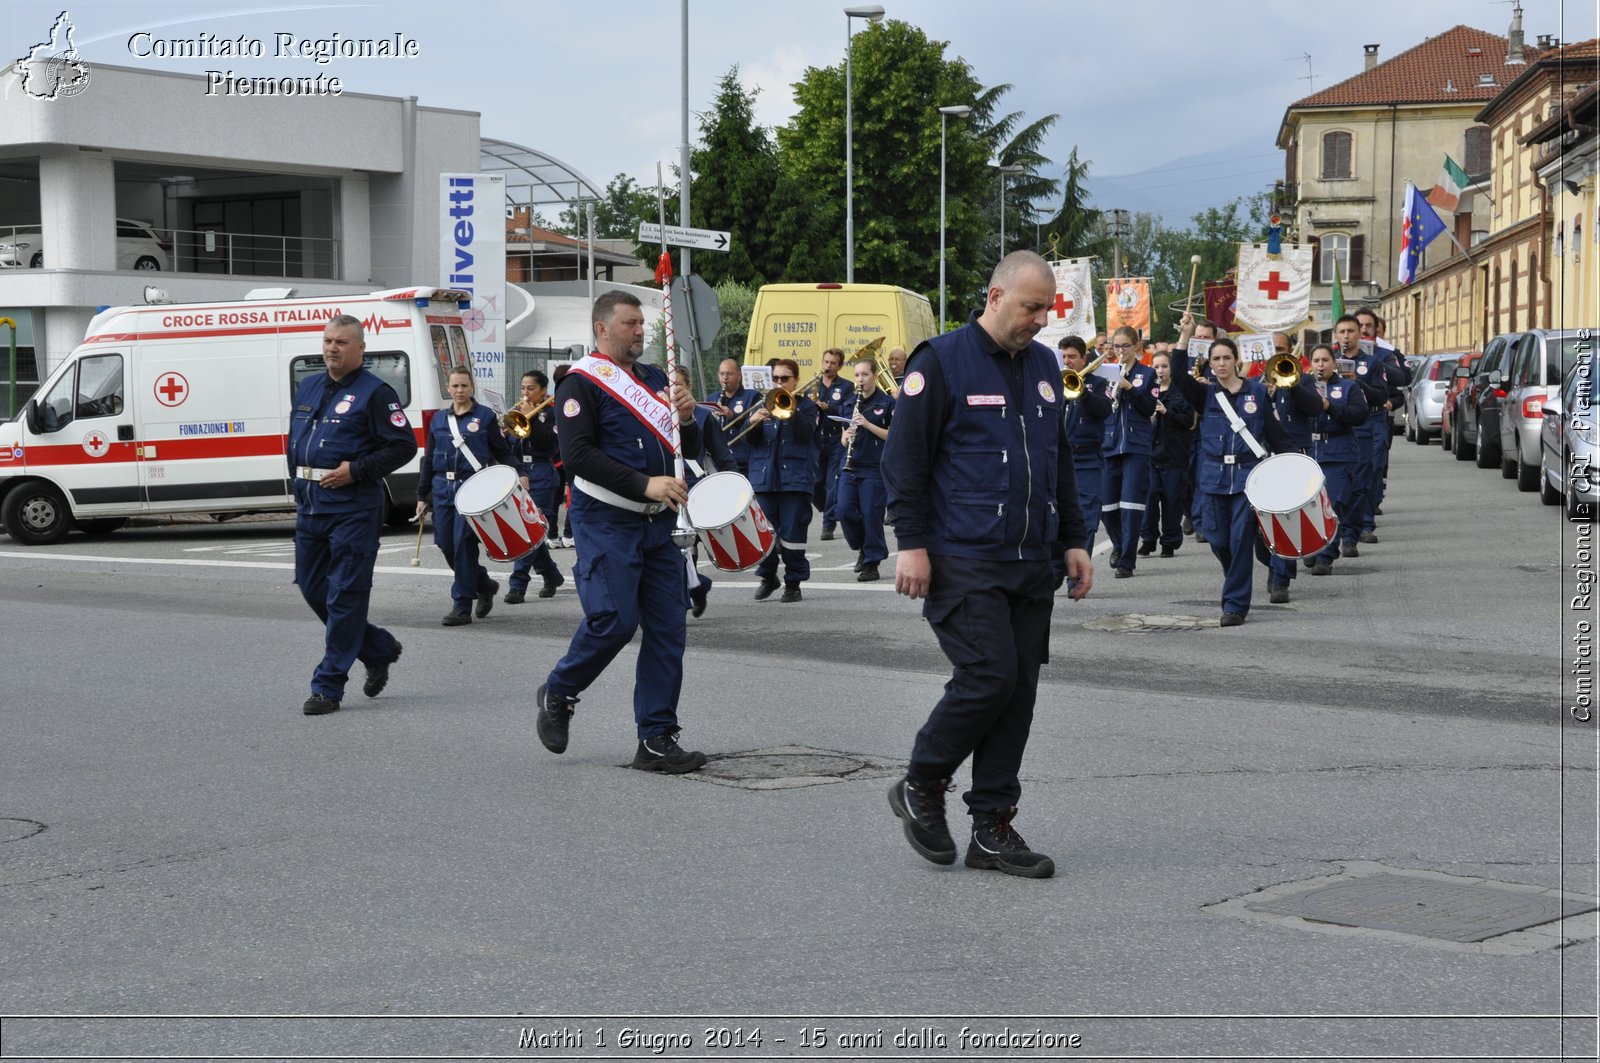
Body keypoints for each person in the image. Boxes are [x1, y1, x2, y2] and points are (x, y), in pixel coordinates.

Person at [882, 250, 1093, 880]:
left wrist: (1075, 539)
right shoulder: (940, 362)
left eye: (1046, 309)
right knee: (989, 677)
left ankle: (992, 828)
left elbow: (1058, 461)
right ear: (996, 297)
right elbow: (904, 461)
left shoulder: (1047, 366)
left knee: (1018, 693)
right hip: (962, 555)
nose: (1039, 320)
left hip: (1031, 559)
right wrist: (911, 542)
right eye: (1031, 307)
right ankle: (922, 780)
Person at [536, 291, 707, 774]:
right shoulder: (579, 385)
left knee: (668, 631)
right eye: (630, 323)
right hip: (607, 519)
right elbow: (578, 456)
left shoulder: (655, 378)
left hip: (659, 525)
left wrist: (689, 417)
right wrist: (643, 483)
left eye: (641, 324)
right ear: (601, 328)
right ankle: (560, 689)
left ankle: (656, 738)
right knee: (614, 620)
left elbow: (685, 446)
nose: (639, 332)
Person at [289, 315, 416, 715]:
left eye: (341, 342)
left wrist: (356, 470)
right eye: (327, 341)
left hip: (353, 509)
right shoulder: (308, 385)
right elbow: (295, 441)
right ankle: (376, 648)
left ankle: (328, 685)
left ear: (361, 348)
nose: (331, 348)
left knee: (345, 594)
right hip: (311, 507)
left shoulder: (376, 393)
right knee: (313, 589)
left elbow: (402, 447)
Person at [1170, 335, 1296, 625]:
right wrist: (1183, 337)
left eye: (1227, 357)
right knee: (1217, 539)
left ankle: (1234, 605)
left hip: (1247, 479)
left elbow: (1275, 433)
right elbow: (1177, 374)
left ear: (1237, 360)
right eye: (1216, 359)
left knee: (1240, 541)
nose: (1222, 363)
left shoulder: (1257, 393)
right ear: (1210, 364)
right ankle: (1239, 577)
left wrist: (1299, 464)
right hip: (1213, 478)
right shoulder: (1205, 394)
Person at [416, 366, 518, 626]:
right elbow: (429, 459)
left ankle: (461, 606)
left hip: (472, 489)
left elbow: (501, 450)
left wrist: (521, 473)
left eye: (464, 385)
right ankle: (484, 584)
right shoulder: (439, 419)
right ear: (448, 388)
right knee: (445, 545)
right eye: (455, 386)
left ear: (471, 387)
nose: (460, 390)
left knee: (463, 545)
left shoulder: (484, 417)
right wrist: (421, 495)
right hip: (441, 490)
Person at [745, 358, 820, 602]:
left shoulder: (808, 406)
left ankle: (793, 583)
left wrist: (791, 411)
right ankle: (768, 576)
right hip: (764, 479)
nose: (779, 382)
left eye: (784, 378)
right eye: (775, 378)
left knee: (792, 537)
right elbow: (751, 442)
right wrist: (752, 423)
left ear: (796, 379)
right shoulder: (761, 403)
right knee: (762, 534)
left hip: (794, 481)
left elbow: (806, 433)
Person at [1262, 331, 1323, 604]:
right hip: (1264, 459)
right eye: (1272, 349)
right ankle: (1274, 564)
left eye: (1281, 349)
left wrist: (1292, 384)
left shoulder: (1305, 380)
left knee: (1285, 519)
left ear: (1290, 352)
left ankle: (1280, 578)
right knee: (1260, 527)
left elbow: (1315, 409)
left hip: (1295, 457)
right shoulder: (1255, 385)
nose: (1276, 353)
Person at [1302, 342, 1370, 576]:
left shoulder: (1349, 387)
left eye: (1325, 360)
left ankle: (1326, 555)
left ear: (1334, 362)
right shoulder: (1303, 386)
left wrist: (1330, 406)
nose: (1321, 365)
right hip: (1310, 452)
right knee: (1308, 507)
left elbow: (1359, 414)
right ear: (1310, 364)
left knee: (1333, 506)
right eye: (1316, 360)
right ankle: (1313, 546)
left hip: (1340, 452)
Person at [1099, 326, 1158, 577]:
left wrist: (1130, 388)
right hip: (1109, 444)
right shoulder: (1104, 373)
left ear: (1136, 346)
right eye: (1116, 346)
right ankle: (1120, 544)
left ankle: (1126, 561)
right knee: (1107, 507)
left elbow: (1149, 407)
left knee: (1131, 506)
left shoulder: (1148, 373)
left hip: (1136, 445)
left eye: (1125, 346)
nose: (1120, 351)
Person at [504, 370, 567, 604]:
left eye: (530, 388)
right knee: (530, 530)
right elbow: (510, 444)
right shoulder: (518, 411)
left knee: (531, 527)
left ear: (542, 390)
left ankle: (517, 584)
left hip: (542, 472)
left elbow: (548, 442)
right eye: (523, 388)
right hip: (520, 473)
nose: (525, 393)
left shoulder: (551, 412)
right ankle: (551, 575)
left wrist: (528, 418)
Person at [836, 355, 894, 582]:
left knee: (871, 514)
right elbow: (842, 439)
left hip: (874, 466)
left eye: (865, 375)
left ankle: (872, 562)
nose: (860, 379)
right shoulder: (849, 402)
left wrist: (868, 424)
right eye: (857, 375)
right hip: (850, 465)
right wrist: (846, 436)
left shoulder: (887, 403)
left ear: (875, 376)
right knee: (844, 510)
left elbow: (893, 435)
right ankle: (863, 547)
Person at [678, 364, 730, 617]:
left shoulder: (702, 416)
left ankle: (691, 591)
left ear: (688, 388)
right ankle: (696, 587)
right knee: (676, 551)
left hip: (696, 490)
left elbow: (721, 454)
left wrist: (735, 487)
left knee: (687, 549)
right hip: (664, 491)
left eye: (678, 385)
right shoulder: (651, 413)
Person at [1333, 314, 1386, 558]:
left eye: (1351, 331)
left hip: (1364, 426)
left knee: (1361, 480)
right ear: (1336, 335)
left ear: (1359, 335)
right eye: (1342, 331)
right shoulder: (1328, 360)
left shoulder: (1372, 362)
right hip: (1336, 428)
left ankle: (1357, 530)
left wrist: (1357, 384)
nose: (1346, 336)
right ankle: (1335, 534)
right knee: (1336, 486)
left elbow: (1380, 395)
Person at [1137, 352, 1196, 559]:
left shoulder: (1180, 392)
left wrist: (1166, 413)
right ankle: (1148, 540)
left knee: (1172, 500)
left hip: (1173, 454)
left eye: (1164, 366)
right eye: (1156, 366)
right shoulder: (1147, 391)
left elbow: (1188, 421)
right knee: (1149, 499)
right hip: (1150, 454)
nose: (1160, 371)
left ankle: (1169, 542)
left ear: (1171, 369)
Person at [1059, 335, 1112, 559]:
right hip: (1060, 459)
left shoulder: (1099, 384)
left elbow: (1105, 409)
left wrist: (1084, 393)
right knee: (1057, 518)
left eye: (1072, 356)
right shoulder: (1055, 382)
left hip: (1087, 459)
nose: (1067, 361)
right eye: (1064, 357)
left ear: (1084, 358)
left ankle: (1078, 574)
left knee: (1086, 518)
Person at [809, 347, 855, 541]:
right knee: (815, 484)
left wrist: (828, 407)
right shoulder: (813, 384)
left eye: (833, 363)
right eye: (826, 362)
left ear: (840, 366)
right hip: (815, 439)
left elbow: (848, 409)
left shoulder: (846, 386)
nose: (828, 366)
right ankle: (828, 509)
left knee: (831, 483)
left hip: (836, 438)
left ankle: (828, 524)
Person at [706, 357, 759, 476]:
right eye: (722, 374)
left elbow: (754, 427)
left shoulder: (752, 396)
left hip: (743, 460)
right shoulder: (712, 399)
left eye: (729, 374)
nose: (725, 377)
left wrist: (732, 416)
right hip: (718, 462)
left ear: (739, 376)